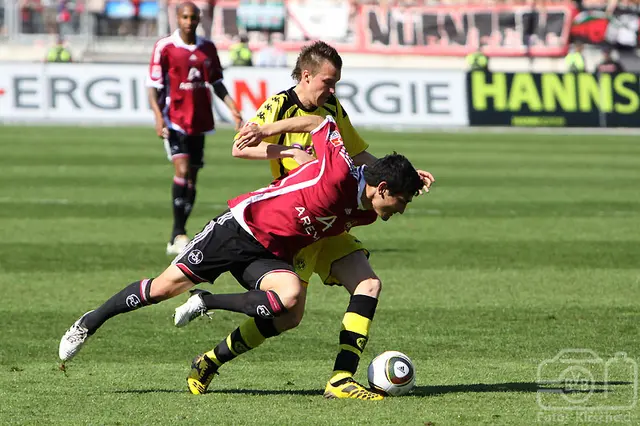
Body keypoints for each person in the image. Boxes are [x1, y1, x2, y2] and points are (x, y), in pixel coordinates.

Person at [58, 115, 426, 401]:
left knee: (290, 303)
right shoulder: (337, 176)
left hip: (272, 251)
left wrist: (409, 179)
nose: (403, 209)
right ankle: (90, 321)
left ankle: (207, 322)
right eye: (402, 200)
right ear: (382, 189)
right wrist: (266, 130)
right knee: (162, 288)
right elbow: (319, 123)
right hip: (237, 229)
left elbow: (370, 171)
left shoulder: (368, 207)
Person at [181, 41, 434, 400]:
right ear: (307, 75)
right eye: (328, 82)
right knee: (288, 316)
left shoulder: (331, 107)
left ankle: (341, 378)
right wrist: (287, 150)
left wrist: (399, 179)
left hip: (337, 216)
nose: (332, 90)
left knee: (368, 285)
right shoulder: (279, 104)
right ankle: (209, 361)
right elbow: (241, 146)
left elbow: (359, 152)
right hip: (298, 222)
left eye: (335, 84)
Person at [146, 1, 243, 255]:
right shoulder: (165, 47)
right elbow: (153, 86)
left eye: (193, 17)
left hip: (200, 121)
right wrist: (158, 117)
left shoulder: (207, 48)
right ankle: (178, 233)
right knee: (182, 169)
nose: (189, 21)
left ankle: (177, 233)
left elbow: (217, 82)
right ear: (177, 18)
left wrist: (232, 107)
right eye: (185, 17)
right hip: (174, 119)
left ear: (199, 19)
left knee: (193, 177)